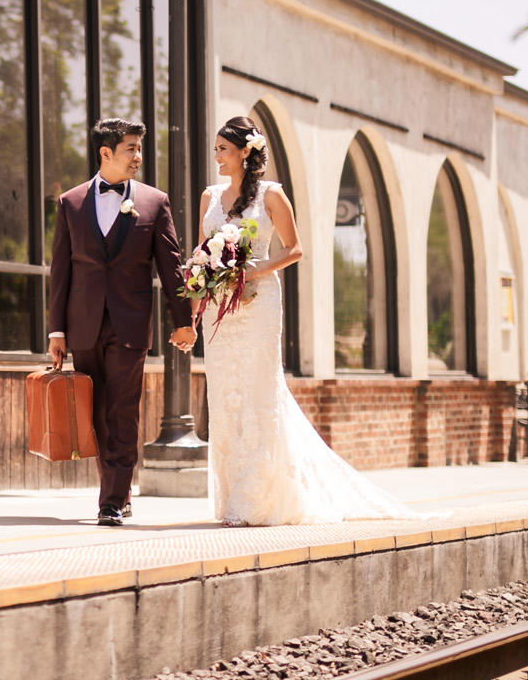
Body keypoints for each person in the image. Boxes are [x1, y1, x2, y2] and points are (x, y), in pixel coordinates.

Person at [179, 116, 418, 526]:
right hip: (220, 308)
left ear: (244, 153)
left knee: (257, 392)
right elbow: (202, 253)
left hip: (257, 303)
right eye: (216, 148)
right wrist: (195, 310)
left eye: (222, 148)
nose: (216, 155)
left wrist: (252, 270)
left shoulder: (272, 196)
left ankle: (254, 498)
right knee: (225, 396)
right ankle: (233, 491)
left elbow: (295, 249)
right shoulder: (209, 197)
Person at [46, 118, 194, 527]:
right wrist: (56, 331)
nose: (138, 157)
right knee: (96, 412)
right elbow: (61, 271)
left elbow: (172, 266)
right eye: (131, 149)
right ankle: (121, 491)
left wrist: (182, 321)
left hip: (130, 324)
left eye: (139, 149)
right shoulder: (71, 203)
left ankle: (110, 501)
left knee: (123, 411)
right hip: (83, 325)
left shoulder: (154, 201)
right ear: (105, 153)